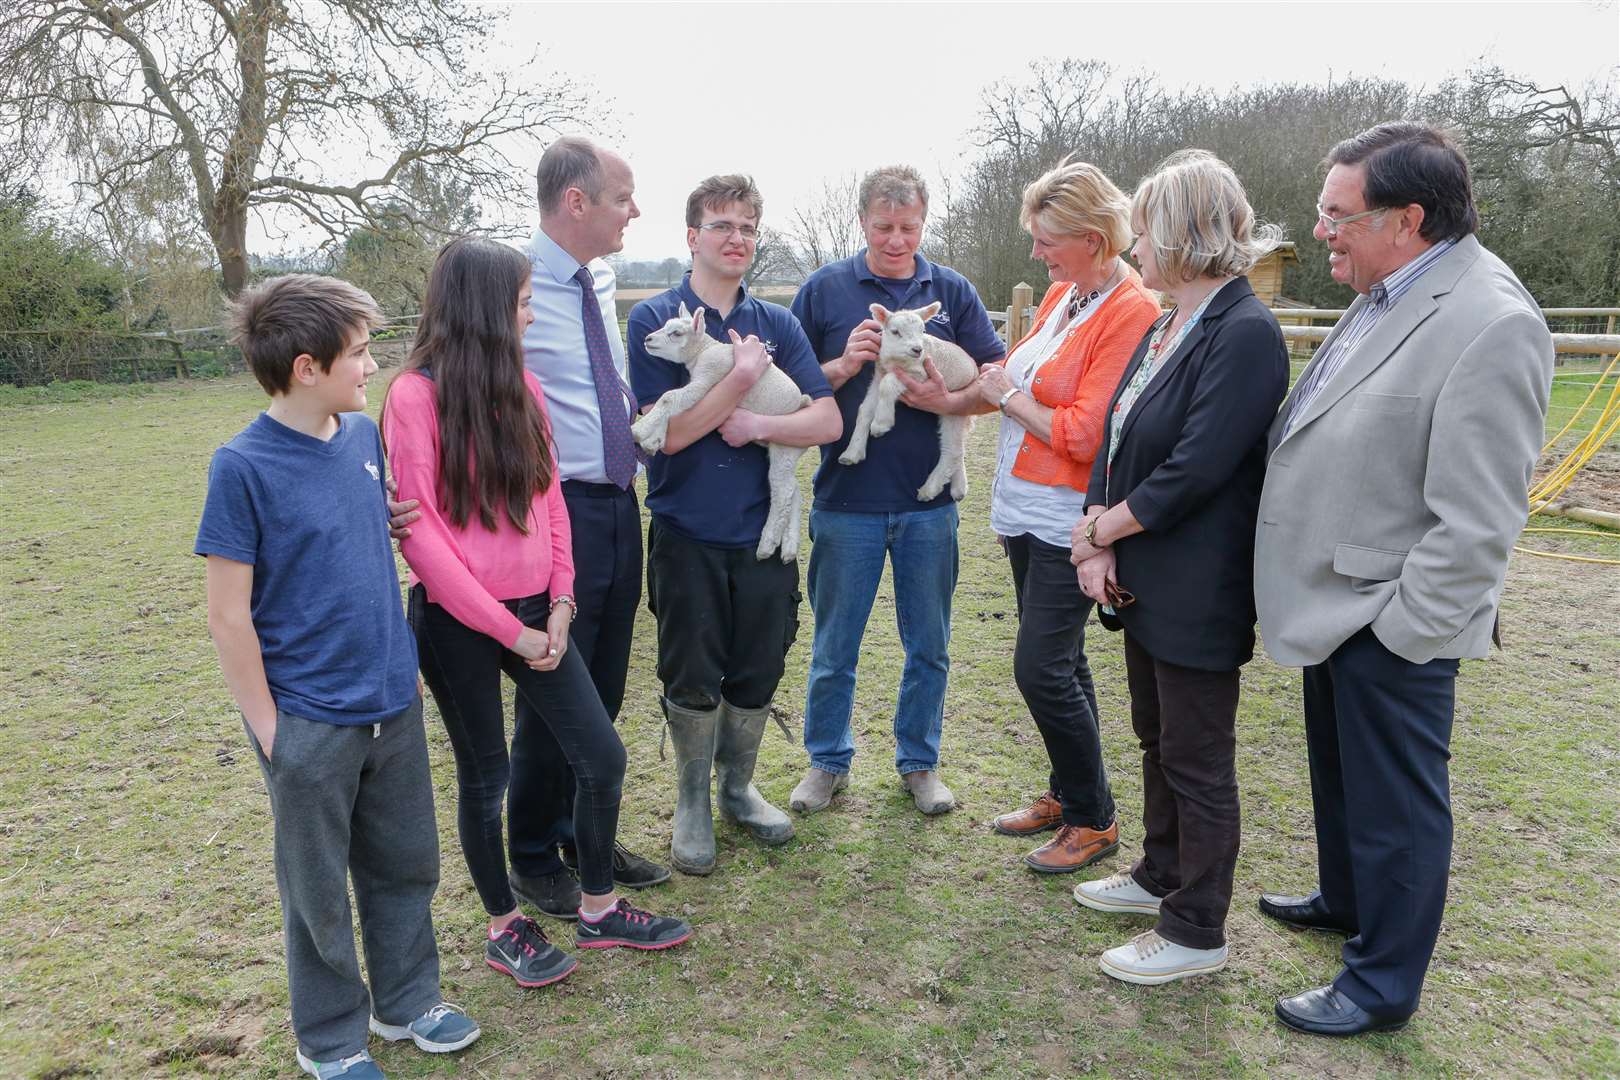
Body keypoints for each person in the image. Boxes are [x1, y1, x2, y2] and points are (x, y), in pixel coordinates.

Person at [1254, 122, 1553, 1036]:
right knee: (1344, 781)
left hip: (1391, 614)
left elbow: (1481, 518)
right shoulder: (1389, 289)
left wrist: (1404, 629)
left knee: (1398, 807)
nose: (1323, 232)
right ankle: (1347, 901)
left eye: (1338, 215)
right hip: (1334, 598)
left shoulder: (1492, 321)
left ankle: (1380, 987)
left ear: (1408, 218)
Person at [383, 238, 691, 990]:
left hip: (536, 613)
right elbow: (420, 533)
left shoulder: (526, 388)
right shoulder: (412, 398)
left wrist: (559, 601)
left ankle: (597, 908)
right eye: (522, 301)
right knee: (486, 778)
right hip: (461, 623)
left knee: (601, 755)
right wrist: (507, 628)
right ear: (485, 307)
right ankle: (503, 926)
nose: (530, 311)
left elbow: (551, 501)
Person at [197, 275, 480, 1080]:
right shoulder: (241, 466)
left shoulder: (360, 440)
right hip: (308, 722)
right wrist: (271, 729)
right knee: (316, 891)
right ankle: (329, 1039)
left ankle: (406, 1001)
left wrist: (403, 664)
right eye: (360, 354)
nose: (374, 367)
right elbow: (227, 615)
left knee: (406, 862)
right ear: (306, 367)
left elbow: (350, 542)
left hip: (392, 699)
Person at [1069, 150, 1288, 985]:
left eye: (1142, 229)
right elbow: (1120, 434)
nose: (1130, 246)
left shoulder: (1243, 330)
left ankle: (1197, 927)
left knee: (1198, 759)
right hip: (1142, 576)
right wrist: (1102, 532)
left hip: (1198, 585)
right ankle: (1159, 873)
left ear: (1181, 232)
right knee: (1156, 738)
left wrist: (1100, 532)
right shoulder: (1168, 322)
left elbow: (1197, 465)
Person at [628, 174, 841, 875]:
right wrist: (741, 380)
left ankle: (737, 788)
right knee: (692, 668)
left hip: (762, 536)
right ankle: (691, 801)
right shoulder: (654, 321)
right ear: (692, 236)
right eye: (722, 225)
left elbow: (827, 418)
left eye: (748, 226)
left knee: (759, 662)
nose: (737, 238)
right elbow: (670, 434)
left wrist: (757, 421)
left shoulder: (777, 323)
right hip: (688, 527)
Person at [788, 165, 1006, 817]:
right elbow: (789, 386)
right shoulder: (825, 290)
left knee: (929, 644)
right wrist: (844, 363)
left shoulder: (954, 291)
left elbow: (995, 378)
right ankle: (826, 760)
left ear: (923, 222)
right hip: (846, 501)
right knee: (835, 644)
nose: (895, 239)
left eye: (908, 227)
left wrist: (953, 396)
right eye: (883, 227)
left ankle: (920, 762)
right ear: (863, 223)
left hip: (928, 509)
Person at [977, 159, 1162, 874]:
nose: (1035, 252)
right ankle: (1069, 790)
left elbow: (1086, 433)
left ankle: (1094, 819)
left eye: (1047, 238)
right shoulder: (1065, 295)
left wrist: (1007, 398)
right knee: (1064, 662)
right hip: (1025, 509)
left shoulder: (1131, 311)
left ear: (1092, 237)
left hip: (1070, 520)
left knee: (1041, 668)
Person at [520, 136, 669, 908]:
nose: (634, 210)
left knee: (606, 680)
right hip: (556, 510)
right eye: (623, 196)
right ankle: (531, 847)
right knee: (554, 684)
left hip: (618, 502)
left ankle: (587, 832)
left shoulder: (599, 277)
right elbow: (444, 384)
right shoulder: (512, 284)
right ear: (576, 201)